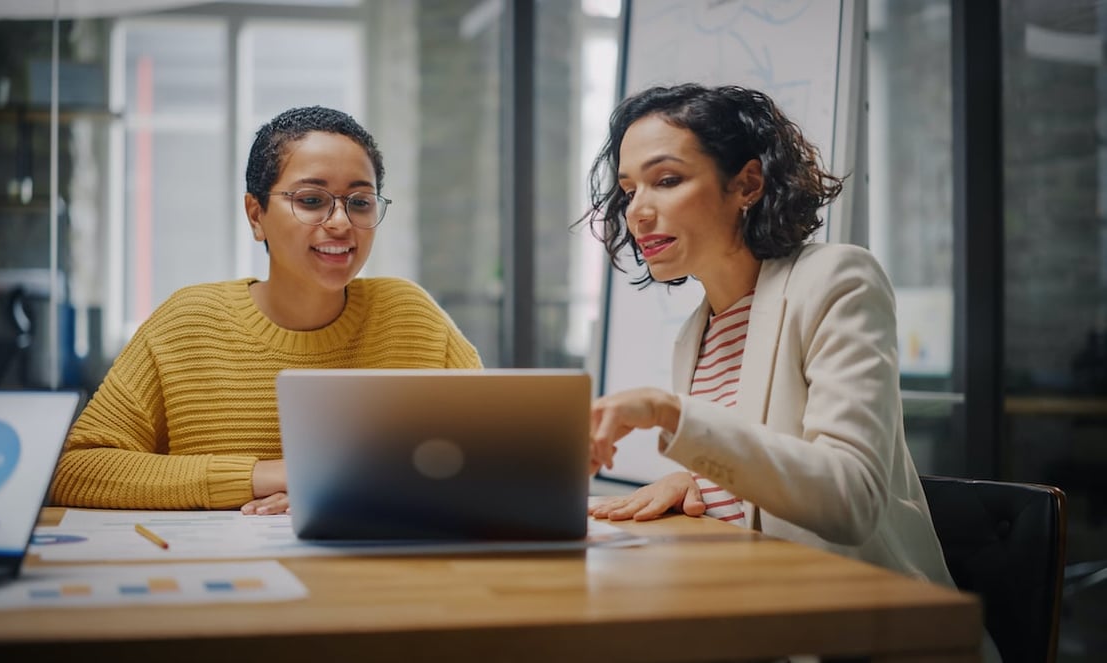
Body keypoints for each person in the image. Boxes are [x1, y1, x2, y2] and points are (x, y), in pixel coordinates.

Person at [579, 82, 1002, 659]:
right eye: (629, 190)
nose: (639, 210)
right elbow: (765, 461)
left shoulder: (837, 280)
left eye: (668, 180)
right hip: (760, 617)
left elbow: (847, 500)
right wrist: (701, 480)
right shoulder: (694, 333)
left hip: (863, 637)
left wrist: (671, 413)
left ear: (747, 184)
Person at [51, 106, 482, 515]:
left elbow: (491, 457)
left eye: (360, 202)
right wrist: (268, 475)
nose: (340, 222)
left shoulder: (412, 317)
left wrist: (349, 483)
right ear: (256, 215)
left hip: (378, 569)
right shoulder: (188, 323)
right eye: (312, 200)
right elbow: (75, 470)